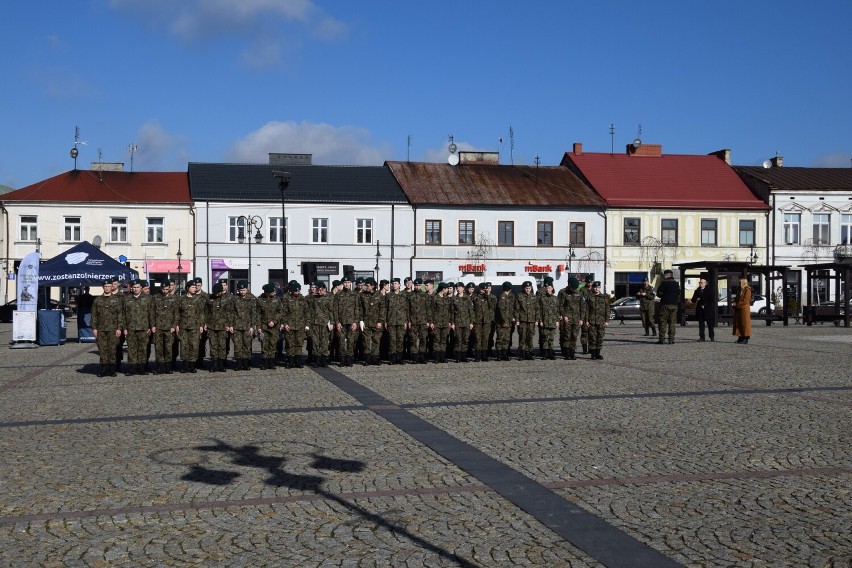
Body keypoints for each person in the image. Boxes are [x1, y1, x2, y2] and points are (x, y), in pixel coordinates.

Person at [90, 279, 123, 377]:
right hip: (101, 330)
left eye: (109, 286)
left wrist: (119, 328)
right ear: (103, 287)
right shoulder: (97, 300)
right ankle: (104, 369)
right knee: (103, 350)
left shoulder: (116, 300)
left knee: (112, 350)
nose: (107, 288)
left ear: (111, 287)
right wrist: (94, 328)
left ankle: (112, 370)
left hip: (113, 329)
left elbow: (120, 315)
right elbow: (94, 315)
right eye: (105, 286)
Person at [123, 279, 153, 375]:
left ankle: (141, 368)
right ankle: (132, 368)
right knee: (132, 348)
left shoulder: (148, 298)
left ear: (141, 288)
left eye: (138, 287)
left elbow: (151, 313)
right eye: (134, 287)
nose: (136, 289)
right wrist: (124, 327)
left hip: (144, 328)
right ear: (132, 288)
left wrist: (151, 326)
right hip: (131, 328)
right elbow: (123, 314)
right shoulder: (127, 299)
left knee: (143, 348)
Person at [150, 278, 179, 374]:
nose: (165, 291)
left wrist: (174, 326)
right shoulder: (155, 298)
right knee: (159, 348)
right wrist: (153, 325)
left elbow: (176, 314)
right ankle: (160, 366)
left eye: (166, 289)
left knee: (168, 348)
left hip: (169, 328)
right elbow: (152, 312)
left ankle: (168, 366)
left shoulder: (173, 298)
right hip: (158, 327)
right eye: (163, 289)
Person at [206, 283, 234, 372]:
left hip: (223, 326)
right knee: (213, 345)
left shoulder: (227, 299)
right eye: (215, 293)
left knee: (222, 346)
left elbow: (230, 313)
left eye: (218, 293)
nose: (216, 295)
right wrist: (205, 323)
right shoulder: (209, 298)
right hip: (211, 326)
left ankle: (221, 364)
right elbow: (206, 312)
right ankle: (214, 364)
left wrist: (229, 325)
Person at [256, 283, 284, 369]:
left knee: (272, 344)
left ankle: (272, 363)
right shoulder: (260, 300)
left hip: (274, 326)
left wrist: (274, 321)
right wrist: (258, 327)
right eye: (272, 292)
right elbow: (257, 314)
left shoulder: (277, 299)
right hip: (264, 326)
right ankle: (265, 363)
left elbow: (280, 312)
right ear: (267, 292)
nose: (274, 293)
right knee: (264, 344)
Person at [283, 280, 310, 368]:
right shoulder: (288, 299)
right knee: (290, 343)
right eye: (295, 291)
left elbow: (307, 313)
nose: (297, 292)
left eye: (298, 291)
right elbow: (284, 313)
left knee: (299, 344)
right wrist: (285, 323)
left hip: (300, 326)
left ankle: (298, 361)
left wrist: (307, 325)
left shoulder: (303, 299)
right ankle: (290, 361)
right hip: (290, 325)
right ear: (292, 291)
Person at [231, 280, 257, 370]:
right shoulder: (234, 298)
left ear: (247, 289)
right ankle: (238, 364)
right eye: (240, 290)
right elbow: (231, 313)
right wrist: (231, 325)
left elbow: (254, 313)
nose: (242, 292)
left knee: (246, 345)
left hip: (247, 326)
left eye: (244, 290)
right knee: (237, 345)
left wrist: (252, 326)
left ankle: (246, 364)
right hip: (236, 326)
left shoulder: (252, 298)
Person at [384, 278, 409, 365]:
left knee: (400, 340)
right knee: (392, 340)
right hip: (391, 321)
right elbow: (385, 309)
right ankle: (392, 359)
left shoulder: (404, 295)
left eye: (396, 283)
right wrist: (385, 321)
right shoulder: (388, 296)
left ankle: (399, 358)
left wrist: (406, 321)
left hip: (401, 321)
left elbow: (407, 309)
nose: (394, 285)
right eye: (393, 283)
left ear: (399, 285)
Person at [583, 281, 610, 360]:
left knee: (600, 338)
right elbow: (587, 310)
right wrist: (587, 320)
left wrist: (607, 321)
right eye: (595, 287)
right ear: (592, 288)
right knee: (592, 338)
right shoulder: (589, 297)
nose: (596, 289)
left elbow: (607, 309)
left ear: (600, 288)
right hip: (592, 321)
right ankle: (593, 354)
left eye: (598, 287)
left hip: (601, 321)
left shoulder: (604, 297)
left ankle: (598, 353)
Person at [559, 277, 583, 360]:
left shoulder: (578, 293)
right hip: (567, 318)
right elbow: (560, 306)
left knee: (574, 336)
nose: (574, 289)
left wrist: (581, 319)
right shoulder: (563, 292)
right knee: (567, 336)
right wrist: (564, 315)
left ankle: (572, 353)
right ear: (569, 285)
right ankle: (567, 353)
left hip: (576, 319)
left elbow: (582, 307)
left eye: (575, 288)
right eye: (573, 288)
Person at [514, 281, 539, 359]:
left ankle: (529, 352)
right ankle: (522, 353)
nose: (528, 290)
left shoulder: (534, 297)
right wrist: (517, 320)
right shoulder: (519, 296)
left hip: (531, 320)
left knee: (530, 336)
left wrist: (537, 320)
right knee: (522, 336)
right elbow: (516, 309)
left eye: (529, 288)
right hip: (522, 320)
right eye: (526, 288)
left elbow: (537, 309)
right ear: (523, 288)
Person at [656, 269, 680, 344]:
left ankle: (662, 339)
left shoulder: (663, 283)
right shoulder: (676, 284)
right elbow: (679, 293)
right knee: (672, 323)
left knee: (663, 322)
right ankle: (671, 339)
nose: (663, 276)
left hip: (665, 305)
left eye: (664, 275)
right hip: (674, 305)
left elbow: (659, 294)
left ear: (667, 275)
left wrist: (664, 295)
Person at [538, 280, 560, 360]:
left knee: (551, 338)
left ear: (552, 288)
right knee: (545, 338)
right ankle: (545, 354)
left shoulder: (555, 298)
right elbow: (539, 310)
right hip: (545, 321)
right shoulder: (542, 298)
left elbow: (558, 310)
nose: (548, 289)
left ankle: (551, 354)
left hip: (553, 322)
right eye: (547, 288)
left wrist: (557, 320)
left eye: (549, 288)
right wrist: (540, 320)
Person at [494, 281, 515, 361]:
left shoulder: (508, 297)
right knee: (500, 339)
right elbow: (501, 310)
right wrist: (504, 321)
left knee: (506, 339)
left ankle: (504, 355)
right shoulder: (502, 297)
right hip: (501, 322)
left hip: (508, 322)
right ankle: (499, 356)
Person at [691, 277, 716, 342]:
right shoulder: (697, 290)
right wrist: (696, 299)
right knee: (701, 324)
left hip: (708, 309)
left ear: (705, 283)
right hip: (700, 310)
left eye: (701, 283)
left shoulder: (709, 290)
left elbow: (712, 300)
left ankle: (711, 336)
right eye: (699, 282)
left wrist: (705, 305)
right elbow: (693, 300)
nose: (700, 284)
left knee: (710, 324)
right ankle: (702, 337)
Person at [733, 277, 752, 344]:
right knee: (739, 323)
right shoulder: (740, 290)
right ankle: (740, 337)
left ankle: (745, 338)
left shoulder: (747, 290)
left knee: (745, 324)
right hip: (739, 309)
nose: (739, 284)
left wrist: (738, 304)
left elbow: (745, 300)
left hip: (744, 309)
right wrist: (734, 302)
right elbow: (737, 298)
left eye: (740, 282)